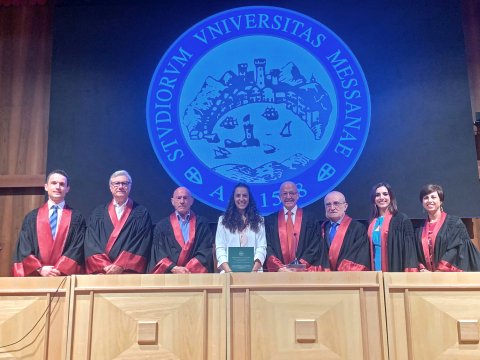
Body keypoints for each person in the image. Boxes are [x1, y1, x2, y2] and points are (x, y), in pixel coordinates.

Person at [12, 170, 85, 276]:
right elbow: (24, 247)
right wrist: (39, 268)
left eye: (62, 184)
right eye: (54, 183)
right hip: (36, 277)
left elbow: (77, 247)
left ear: (67, 189)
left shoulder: (76, 218)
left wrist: (60, 269)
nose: (57, 187)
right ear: (46, 187)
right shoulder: (32, 217)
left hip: (64, 277)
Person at [84, 170, 152, 274]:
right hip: (102, 272)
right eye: (116, 183)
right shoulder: (98, 213)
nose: (120, 186)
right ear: (110, 187)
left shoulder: (140, 213)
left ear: (130, 186)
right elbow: (91, 242)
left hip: (127, 274)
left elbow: (141, 243)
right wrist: (105, 265)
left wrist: (121, 265)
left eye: (124, 183)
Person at [265, 181, 329, 271]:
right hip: (279, 274)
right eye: (284, 194)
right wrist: (279, 267)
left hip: (304, 274)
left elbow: (314, 245)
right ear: (279, 197)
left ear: (298, 195)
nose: (288, 197)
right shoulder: (271, 220)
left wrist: (299, 266)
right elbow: (268, 246)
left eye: (292, 193)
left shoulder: (310, 219)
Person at [415, 184, 480, 271]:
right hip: (426, 277)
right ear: (422, 202)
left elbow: (457, 249)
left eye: (433, 197)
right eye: (426, 198)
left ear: (441, 201)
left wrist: (441, 270)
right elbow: (415, 252)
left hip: (449, 276)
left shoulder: (454, 223)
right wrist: (422, 269)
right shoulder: (419, 228)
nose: (429, 200)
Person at [148, 187, 213, 273]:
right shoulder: (161, 226)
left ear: (191, 201)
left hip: (194, 276)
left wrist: (187, 270)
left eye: (185, 198)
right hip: (170, 277)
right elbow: (158, 253)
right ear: (172, 201)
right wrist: (174, 268)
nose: (182, 201)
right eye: (178, 198)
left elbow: (205, 251)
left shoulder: (202, 224)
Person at [215, 183, 266, 272]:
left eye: (245, 195)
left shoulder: (259, 220)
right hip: (228, 271)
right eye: (238, 196)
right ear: (233, 198)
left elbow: (262, 247)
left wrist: (254, 270)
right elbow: (220, 248)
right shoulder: (223, 220)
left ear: (249, 198)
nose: (241, 199)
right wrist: (229, 270)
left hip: (254, 271)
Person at [367, 182, 418, 272]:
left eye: (385, 194)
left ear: (391, 197)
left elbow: (409, 251)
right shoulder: (372, 222)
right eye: (377, 195)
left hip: (394, 269)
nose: (381, 198)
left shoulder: (401, 220)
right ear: (374, 199)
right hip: (375, 272)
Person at [322, 191, 370, 271]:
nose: (332, 208)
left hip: (347, 278)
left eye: (336, 203)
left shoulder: (357, 228)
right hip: (324, 278)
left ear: (345, 206)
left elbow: (359, 256)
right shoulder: (321, 229)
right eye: (328, 204)